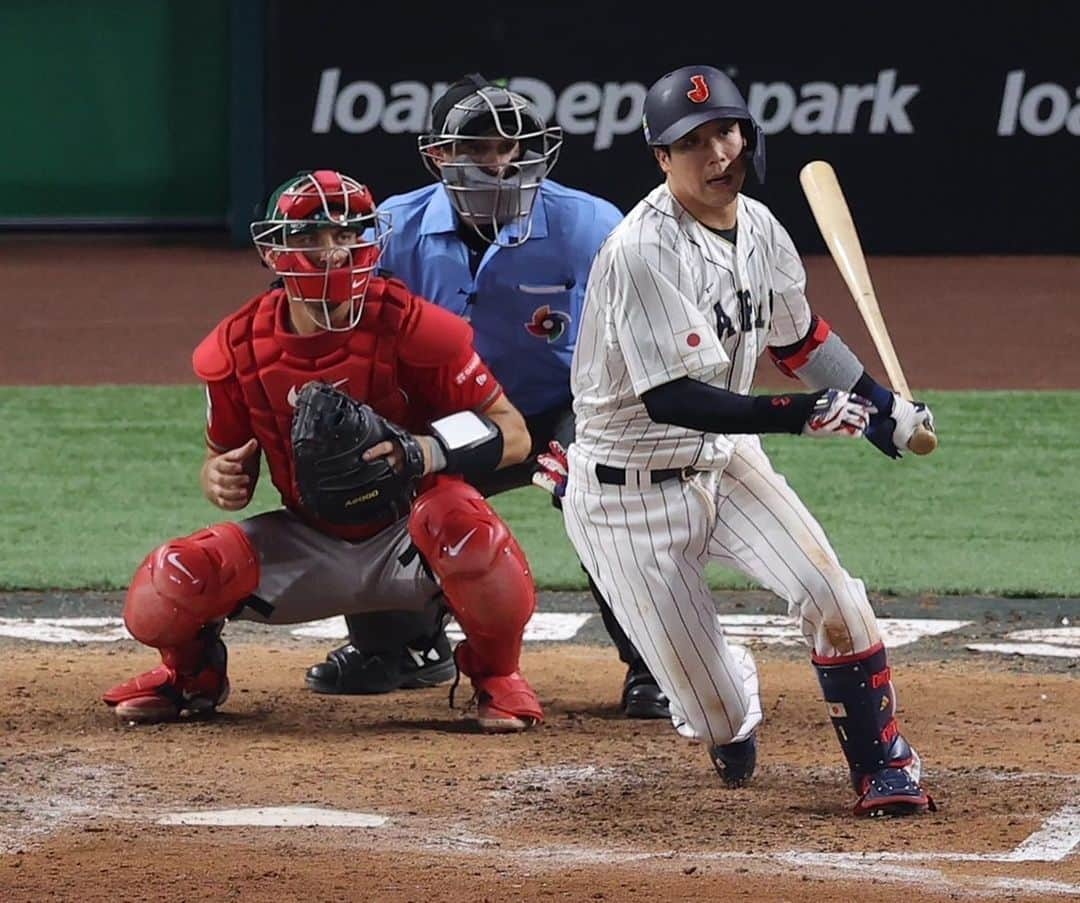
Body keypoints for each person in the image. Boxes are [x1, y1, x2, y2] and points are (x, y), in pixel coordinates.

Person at [550, 65, 937, 816]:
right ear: (661, 160)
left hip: (724, 464)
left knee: (835, 596)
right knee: (718, 714)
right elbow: (672, 399)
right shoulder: (641, 252)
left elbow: (801, 340)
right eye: (691, 142)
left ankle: (884, 764)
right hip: (624, 497)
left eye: (725, 131)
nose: (718, 153)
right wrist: (801, 415)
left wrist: (883, 408)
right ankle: (728, 693)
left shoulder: (759, 226)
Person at [102, 169, 544, 734]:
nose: (333, 251)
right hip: (309, 537)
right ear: (273, 249)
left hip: (411, 533)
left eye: (347, 233)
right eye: (312, 235)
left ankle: (496, 676)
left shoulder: (413, 326)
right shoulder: (237, 348)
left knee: (468, 530)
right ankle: (192, 677)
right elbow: (220, 459)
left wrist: (426, 451)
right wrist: (221, 476)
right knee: (168, 586)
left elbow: (512, 433)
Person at [303, 74, 670, 719]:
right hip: (444, 421)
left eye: (514, 145)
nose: (500, 161)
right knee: (353, 466)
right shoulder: (391, 230)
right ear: (438, 155)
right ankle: (401, 646)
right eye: (479, 147)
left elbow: (640, 332)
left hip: (562, 410)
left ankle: (655, 664)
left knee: (607, 491)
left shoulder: (589, 226)